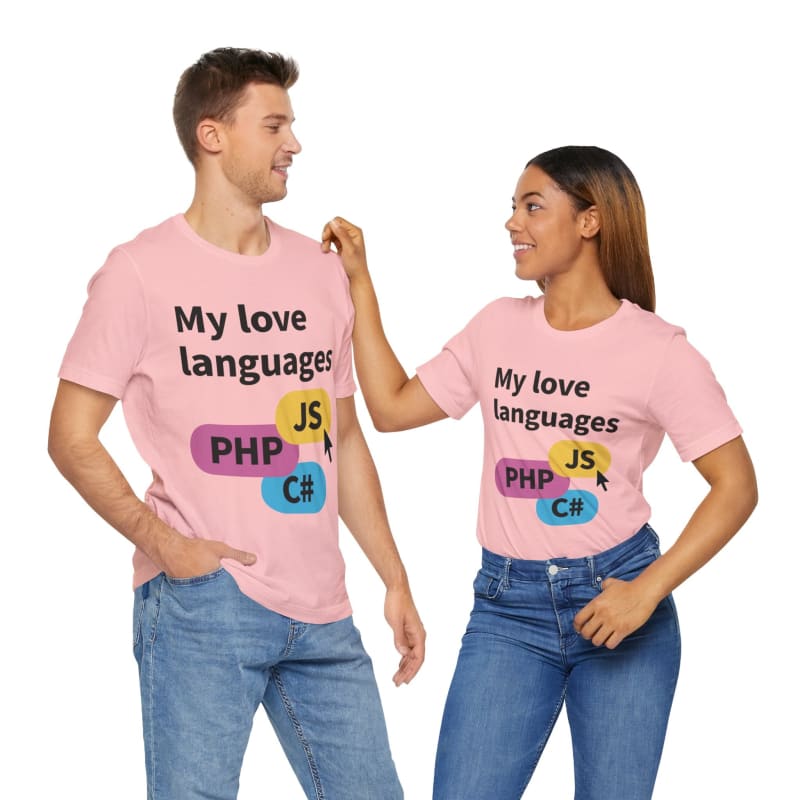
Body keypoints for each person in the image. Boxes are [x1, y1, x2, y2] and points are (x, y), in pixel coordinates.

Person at [321, 145, 757, 800]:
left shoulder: (659, 351)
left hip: (619, 602)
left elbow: (737, 487)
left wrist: (644, 593)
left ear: (590, 221)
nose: (512, 224)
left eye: (532, 206)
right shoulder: (498, 327)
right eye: (513, 208)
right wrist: (359, 281)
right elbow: (391, 408)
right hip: (507, 611)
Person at [47, 47, 424, 800]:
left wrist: (395, 577)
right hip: (202, 602)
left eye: (293, 125)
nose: (295, 144)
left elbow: (338, 436)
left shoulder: (320, 272)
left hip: (324, 607)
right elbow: (69, 434)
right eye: (275, 124)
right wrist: (166, 545)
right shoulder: (140, 271)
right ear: (212, 135)